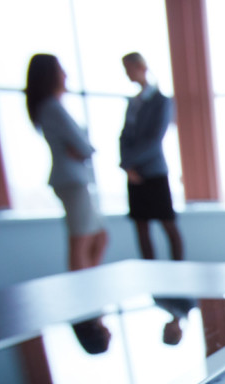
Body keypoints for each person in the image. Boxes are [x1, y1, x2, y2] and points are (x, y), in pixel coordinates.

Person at [25, 53, 108, 271]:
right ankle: (81, 290)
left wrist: (81, 148)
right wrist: (82, 148)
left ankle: (89, 281)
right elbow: (85, 147)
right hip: (70, 180)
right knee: (80, 240)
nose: (66, 74)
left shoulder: (52, 106)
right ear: (49, 75)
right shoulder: (52, 107)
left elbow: (81, 148)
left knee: (99, 237)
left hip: (73, 178)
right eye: (60, 69)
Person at [119, 52, 184, 262]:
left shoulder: (161, 102)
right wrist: (127, 167)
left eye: (129, 68)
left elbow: (154, 140)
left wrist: (130, 163)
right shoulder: (133, 103)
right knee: (141, 228)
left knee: (168, 225)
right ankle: (150, 275)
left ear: (141, 67)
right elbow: (124, 136)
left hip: (154, 171)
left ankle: (179, 272)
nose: (127, 73)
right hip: (133, 174)